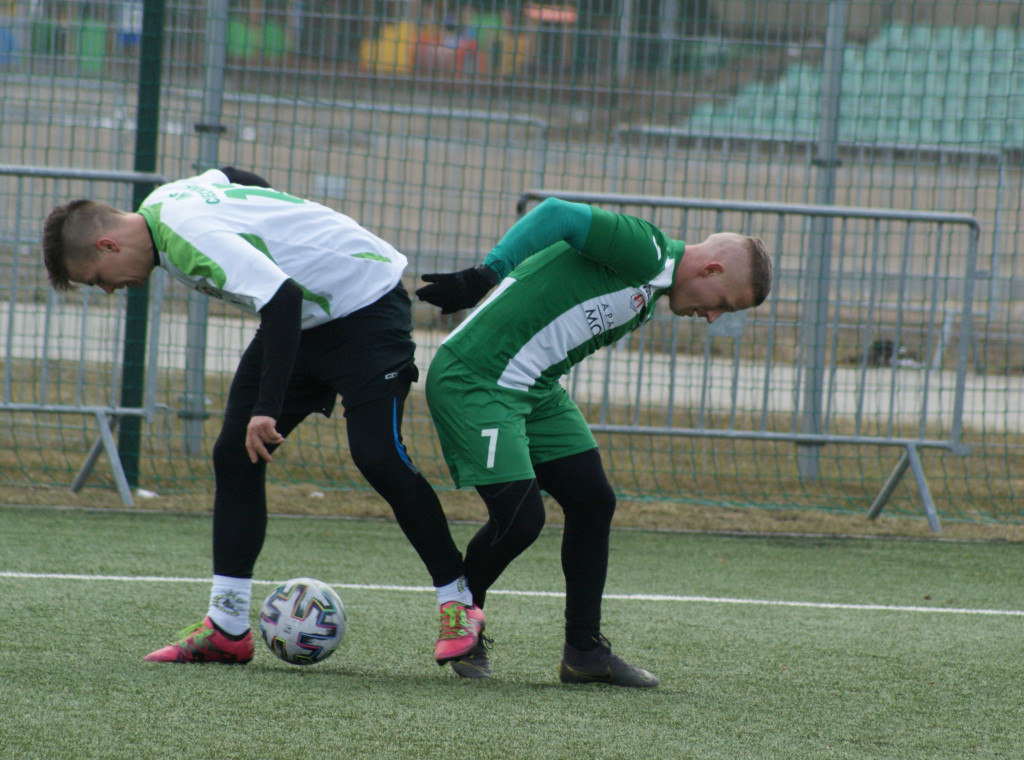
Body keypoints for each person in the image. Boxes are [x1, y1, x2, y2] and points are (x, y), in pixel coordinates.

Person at [42, 167, 485, 668]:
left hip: (365, 306)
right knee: (234, 455)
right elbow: (232, 175)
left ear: (107, 245)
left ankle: (459, 602)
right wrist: (279, 218)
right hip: (303, 320)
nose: (107, 290)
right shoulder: (164, 202)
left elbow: (282, 298)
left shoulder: (189, 236)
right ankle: (227, 628)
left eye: (97, 280)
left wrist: (266, 410)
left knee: (377, 455)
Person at [416, 196, 772, 686]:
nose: (713, 318)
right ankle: (462, 621)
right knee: (521, 521)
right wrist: (487, 272)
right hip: (477, 379)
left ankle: (583, 652)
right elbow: (556, 212)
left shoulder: (653, 285)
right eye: (723, 306)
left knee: (593, 501)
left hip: (533, 388)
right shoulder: (647, 251)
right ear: (711, 270)